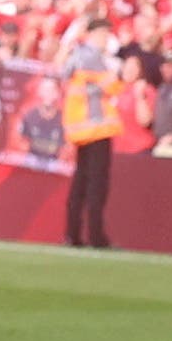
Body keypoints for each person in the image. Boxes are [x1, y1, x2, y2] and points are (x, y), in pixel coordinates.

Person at [58, 37, 119, 251]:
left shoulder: (75, 75)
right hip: (98, 131)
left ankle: (72, 233)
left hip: (80, 133)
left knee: (79, 186)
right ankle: (96, 235)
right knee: (96, 188)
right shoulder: (95, 71)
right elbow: (115, 86)